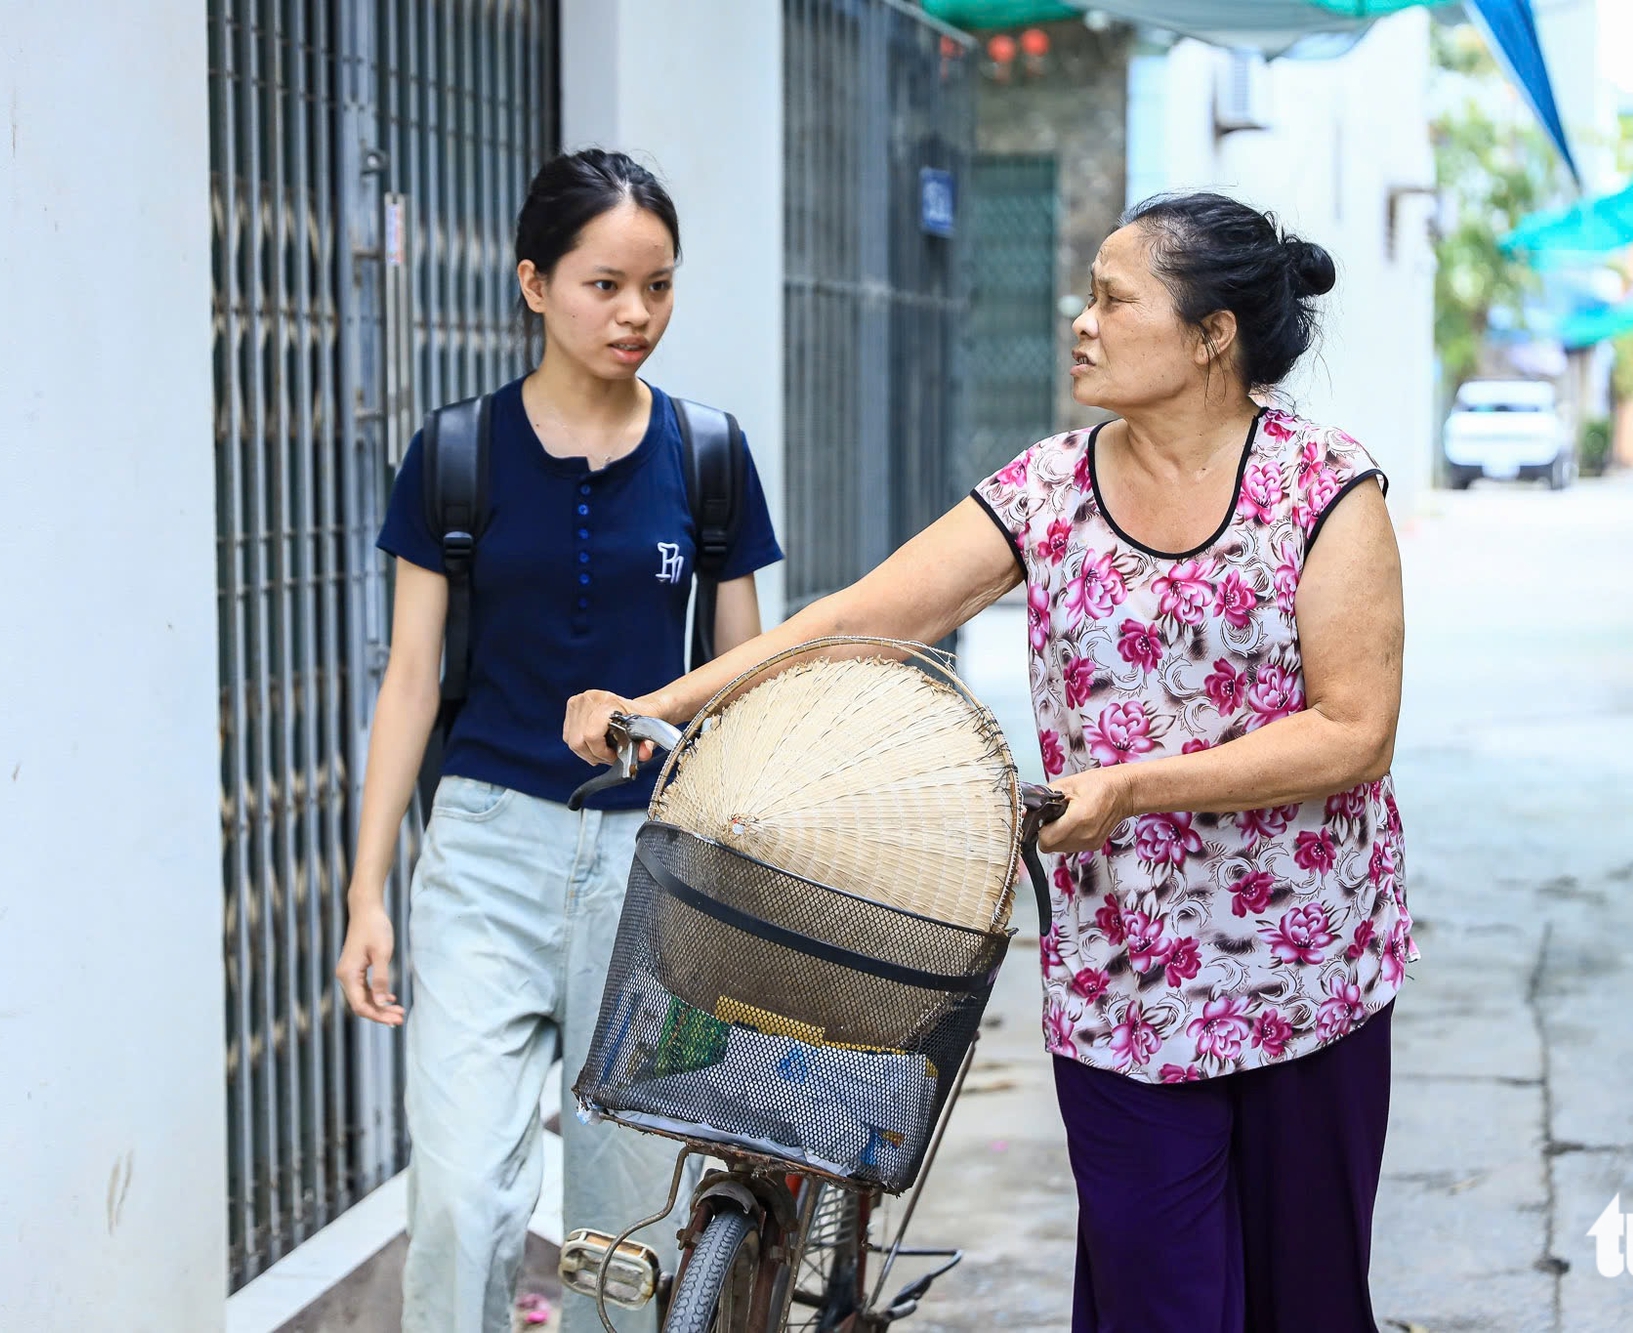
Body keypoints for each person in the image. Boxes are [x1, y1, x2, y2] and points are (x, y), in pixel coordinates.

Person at [566, 192, 1414, 1332]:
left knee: (1305, 1301)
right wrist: (660, 702)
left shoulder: (1322, 491)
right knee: (1157, 1303)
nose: (1082, 320)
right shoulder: (1050, 487)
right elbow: (860, 618)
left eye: (1113, 298)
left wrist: (1132, 787)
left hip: (1305, 973)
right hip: (1121, 982)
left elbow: (1352, 728)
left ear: (1211, 336)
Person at [335, 148, 783, 1333]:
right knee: (460, 1200)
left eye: (658, 285)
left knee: (627, 1222)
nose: (636, 314)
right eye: (603, 285)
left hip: (658, 866)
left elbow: (745, 684)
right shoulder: (454, 455)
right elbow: (412, 679)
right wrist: (366, 891)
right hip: (482, 857)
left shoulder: (710, 455)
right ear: (533, 283)